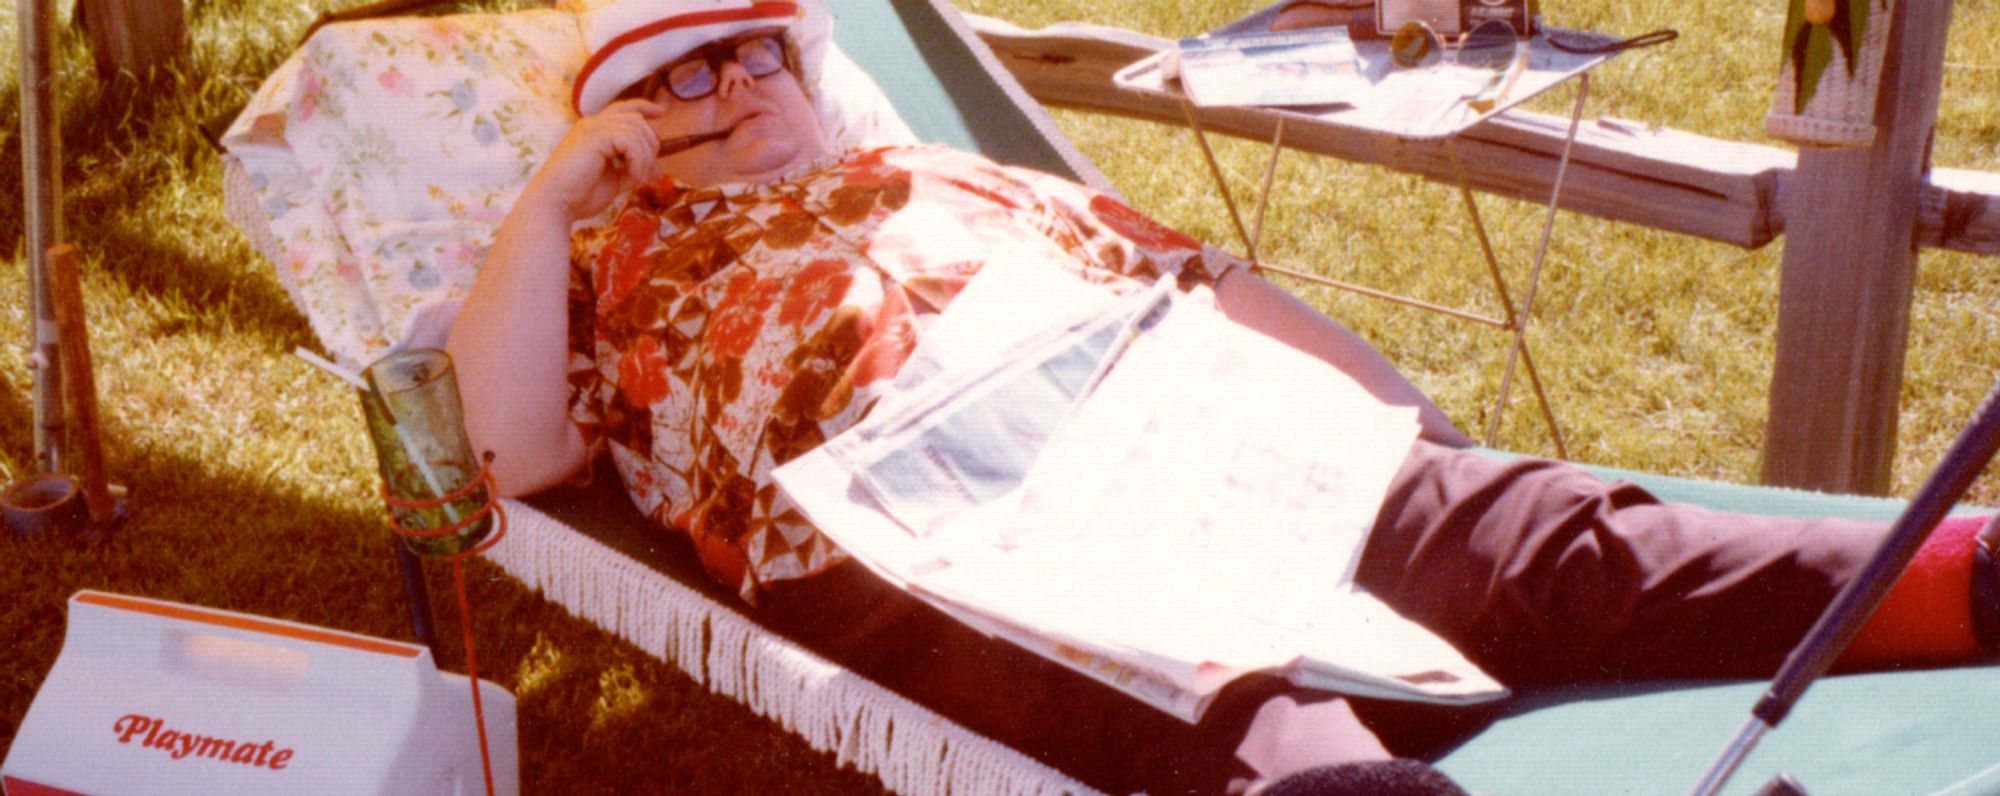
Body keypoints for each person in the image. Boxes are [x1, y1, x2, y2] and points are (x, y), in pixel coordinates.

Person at [446, 2, 1998, 792]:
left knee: (1543, 538)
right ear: (618, 133)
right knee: (1199, 688)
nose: (739, 93)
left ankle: (1975, 582)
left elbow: (1209, 284)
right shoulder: (617, 266)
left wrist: (1408, 435)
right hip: (929, 521)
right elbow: (513, 454)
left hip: (1182, 412)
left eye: (757, 55)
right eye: (682, 79)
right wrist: (558, 203)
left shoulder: (936, 167)